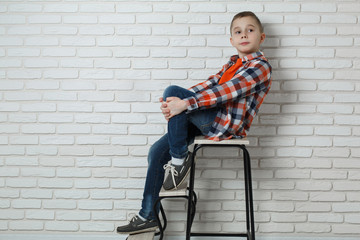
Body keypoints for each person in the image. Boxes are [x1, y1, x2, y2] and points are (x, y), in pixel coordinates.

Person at [117, 11, 272, 235]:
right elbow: (208, 85)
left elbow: (225, 92)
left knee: (173, 92)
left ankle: (180, 163)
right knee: (157, 151)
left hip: (224, 125)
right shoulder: (231, 63)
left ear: (261, 37)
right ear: (231, 40)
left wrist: (183, 103)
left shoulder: (260, 67)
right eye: (238, 32)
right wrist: (176, 104)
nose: (244, 35)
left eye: (250, 30)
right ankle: (147, 216)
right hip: (207, 119)